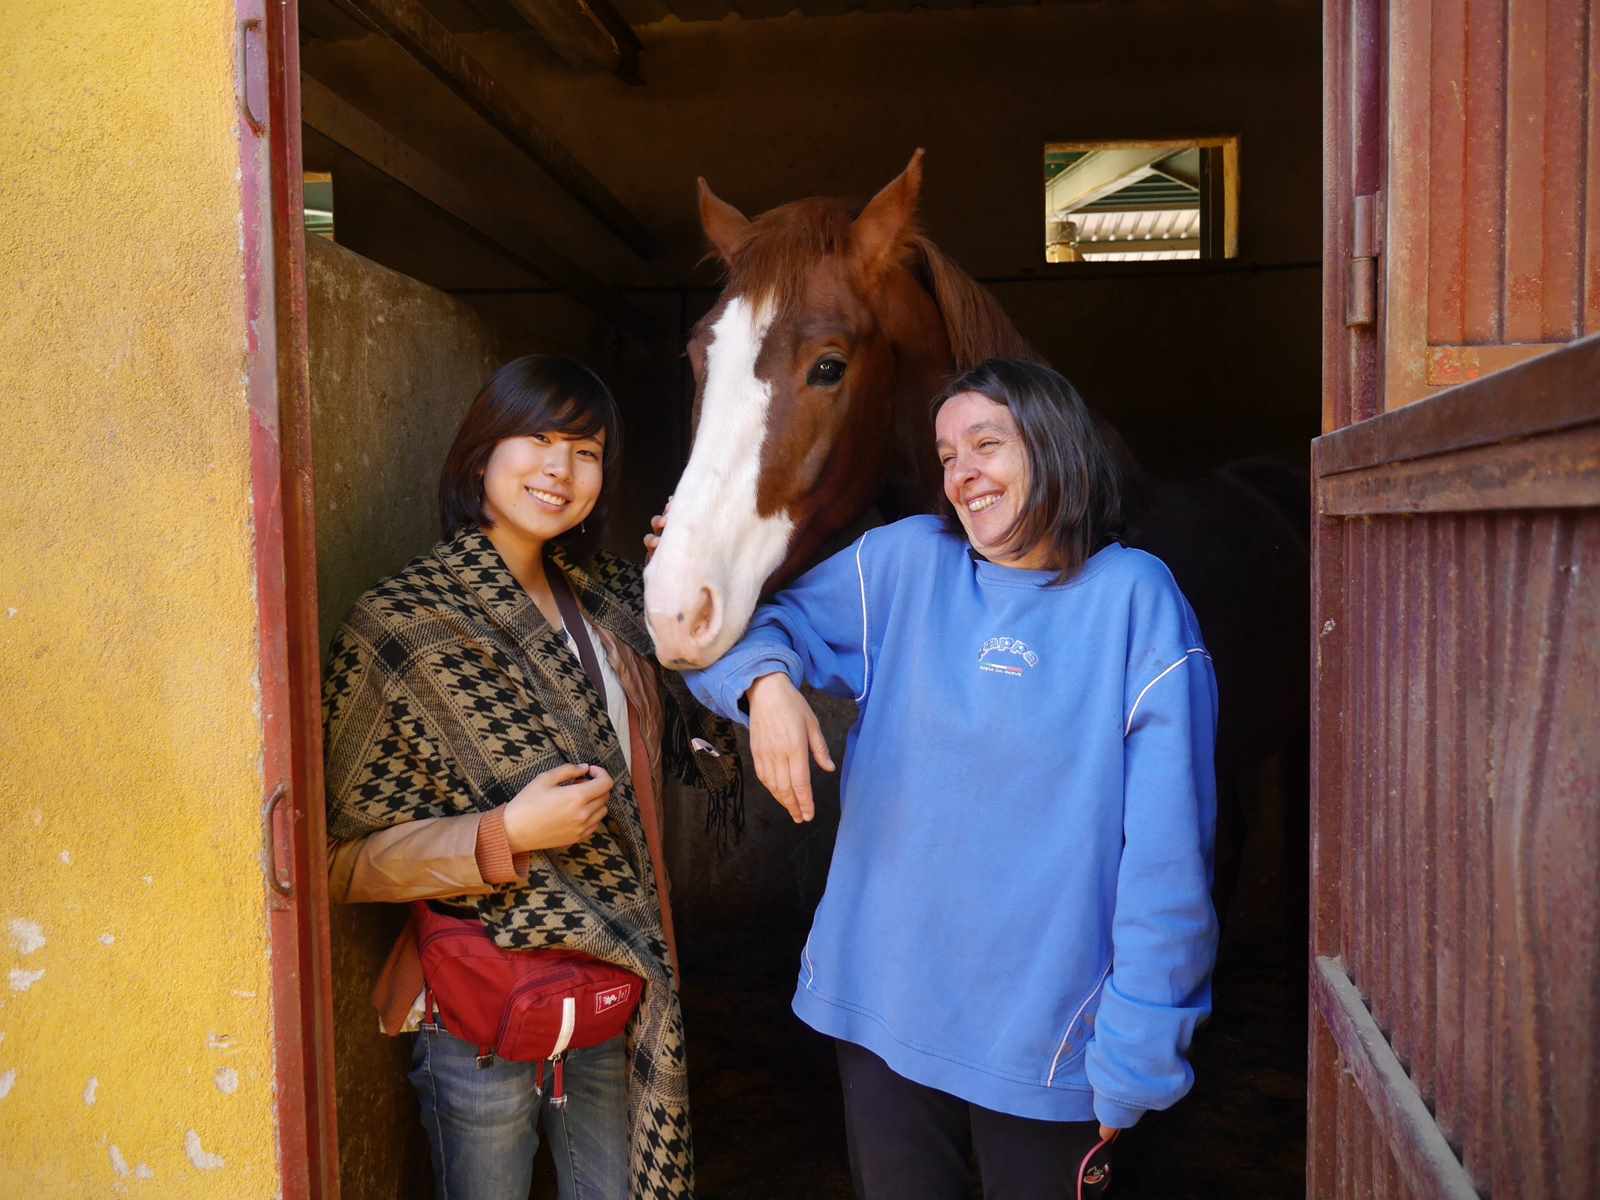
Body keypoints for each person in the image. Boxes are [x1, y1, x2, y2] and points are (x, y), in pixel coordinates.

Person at [682, 358, 1219, 1198]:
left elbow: (1167, 856)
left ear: (1055, 447)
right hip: (880, 1005)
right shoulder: (908, 565)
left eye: (986, 444)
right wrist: (768, 684)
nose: (962, 473)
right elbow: (734, 625)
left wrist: (1138, 1057)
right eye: (945, 455)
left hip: (1045, 1041)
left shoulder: (1134, 600)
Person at [322, 354, 738, 1200]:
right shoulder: (402, 623)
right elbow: (339, 857)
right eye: (537, 439)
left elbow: (707, 709)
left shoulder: (622, 603)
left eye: (585, 451)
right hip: (476, 1003)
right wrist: (502, 836)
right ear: (482, 453)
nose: (559, 469)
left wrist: (696, 580)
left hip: (617, 983)